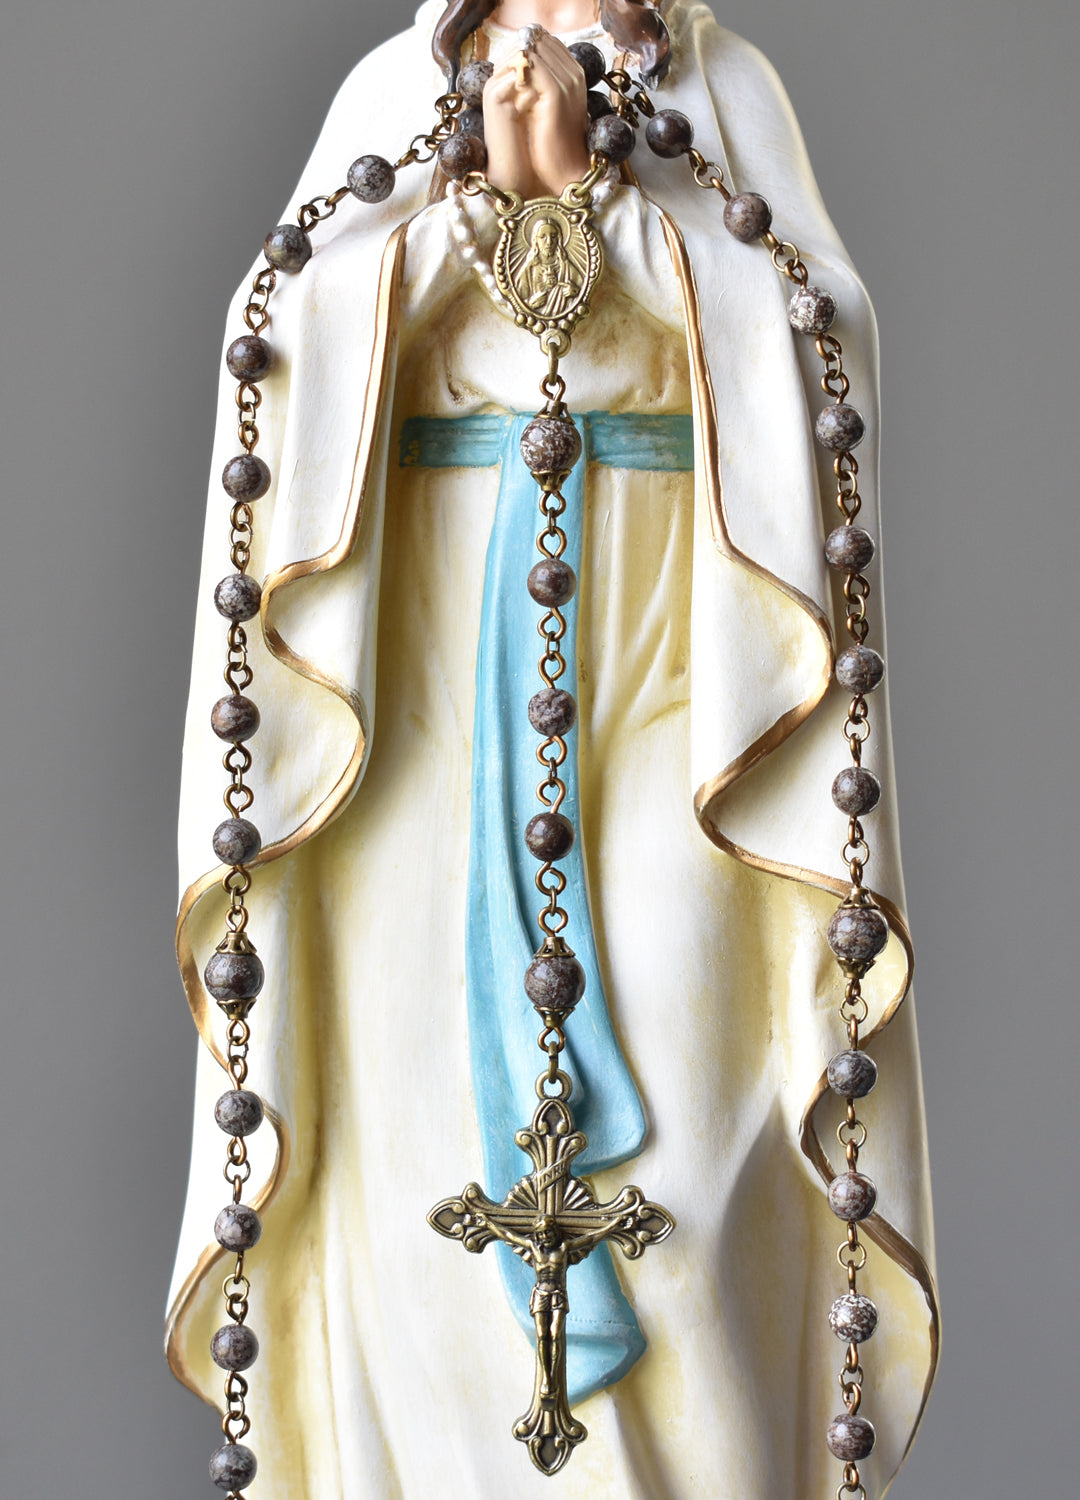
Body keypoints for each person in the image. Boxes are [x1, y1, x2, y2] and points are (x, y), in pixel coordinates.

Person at [169, 3, 937, 1495]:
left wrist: (612, 211)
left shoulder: (717, 86)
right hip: (420, 692)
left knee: (693, 1187)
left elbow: (823, 346)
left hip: (685, 692)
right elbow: (277, 342)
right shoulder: (395, 92)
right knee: (406, 1187)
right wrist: (466, 217)